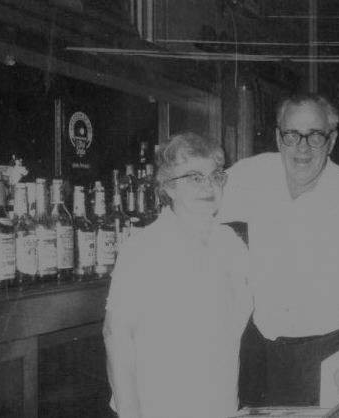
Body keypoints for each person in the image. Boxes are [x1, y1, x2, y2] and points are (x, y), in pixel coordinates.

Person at [219, 92, 339, 406]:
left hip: (325, 353)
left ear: (331, 141)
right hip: (258, 349)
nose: (302, 148)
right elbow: (199, 202)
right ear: (278, 138)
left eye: (315, 136)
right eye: (292, 135)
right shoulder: (252, 174)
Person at [103, 132, 253, 418]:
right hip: (159, 406)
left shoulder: (230, 243)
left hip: (219, 401)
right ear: (168, 188)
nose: (208, 185)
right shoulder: (144, 247)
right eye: (194, 177)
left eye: (215, 175)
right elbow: (115, 334)